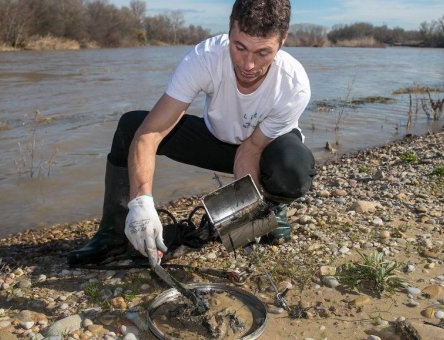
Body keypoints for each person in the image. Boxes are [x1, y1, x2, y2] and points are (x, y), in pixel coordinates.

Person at [68, 0, 315, 267]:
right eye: (239, 47)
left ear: (282, 40)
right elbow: (150, 133)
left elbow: (251, 149)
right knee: (131, 127)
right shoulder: (204, 58)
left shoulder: (293, 85)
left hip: (264, 148)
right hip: (217, 140)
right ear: (229, 32)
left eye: (263, 53)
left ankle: (272, 206)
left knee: (292, 168)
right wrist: (141, 201)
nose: (249, 65)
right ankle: (113, 233)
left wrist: (246, 217)